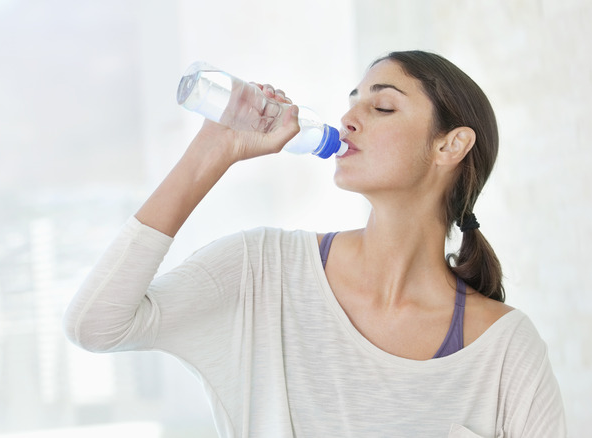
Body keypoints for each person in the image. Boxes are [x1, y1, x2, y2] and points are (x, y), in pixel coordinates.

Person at [63, 50, 566, 437]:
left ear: (449, 145)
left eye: (383, 106)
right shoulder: (263, 271)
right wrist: (210, 153)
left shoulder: (504, 349)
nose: (349, 118)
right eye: (352, 101)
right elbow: (96, 325)